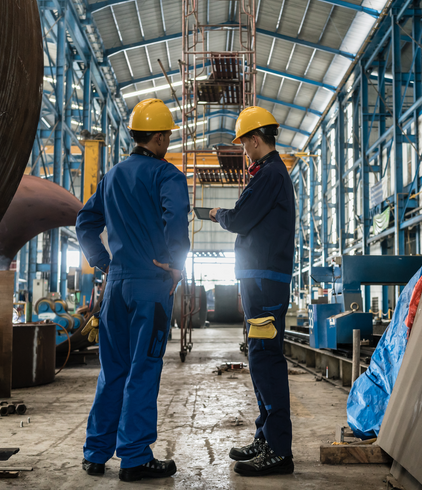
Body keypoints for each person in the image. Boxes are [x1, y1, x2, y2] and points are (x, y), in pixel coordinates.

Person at [76, 98, 190, 482]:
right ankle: (136, 457)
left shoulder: (111, 176)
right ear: (158, 137)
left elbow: (85, 222)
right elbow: (175, 217)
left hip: (116, 287)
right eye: (168, 136)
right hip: (151, 287)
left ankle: (95, 453)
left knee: (113, 371)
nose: (168, 142)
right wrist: (177, 262)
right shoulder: (167, 176)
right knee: (143, 369)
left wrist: (105, 263)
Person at [209, 106, 296, 477]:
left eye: (244, 143)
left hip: (264, 281)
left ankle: (278, 450)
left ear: (255, 140)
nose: (244, 149)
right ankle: (266, 436)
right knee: (258, 357)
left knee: (266, 359)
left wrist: (215, 214)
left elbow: (241, 219)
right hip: (258, 279)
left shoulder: (271, 174)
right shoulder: (267, 174)